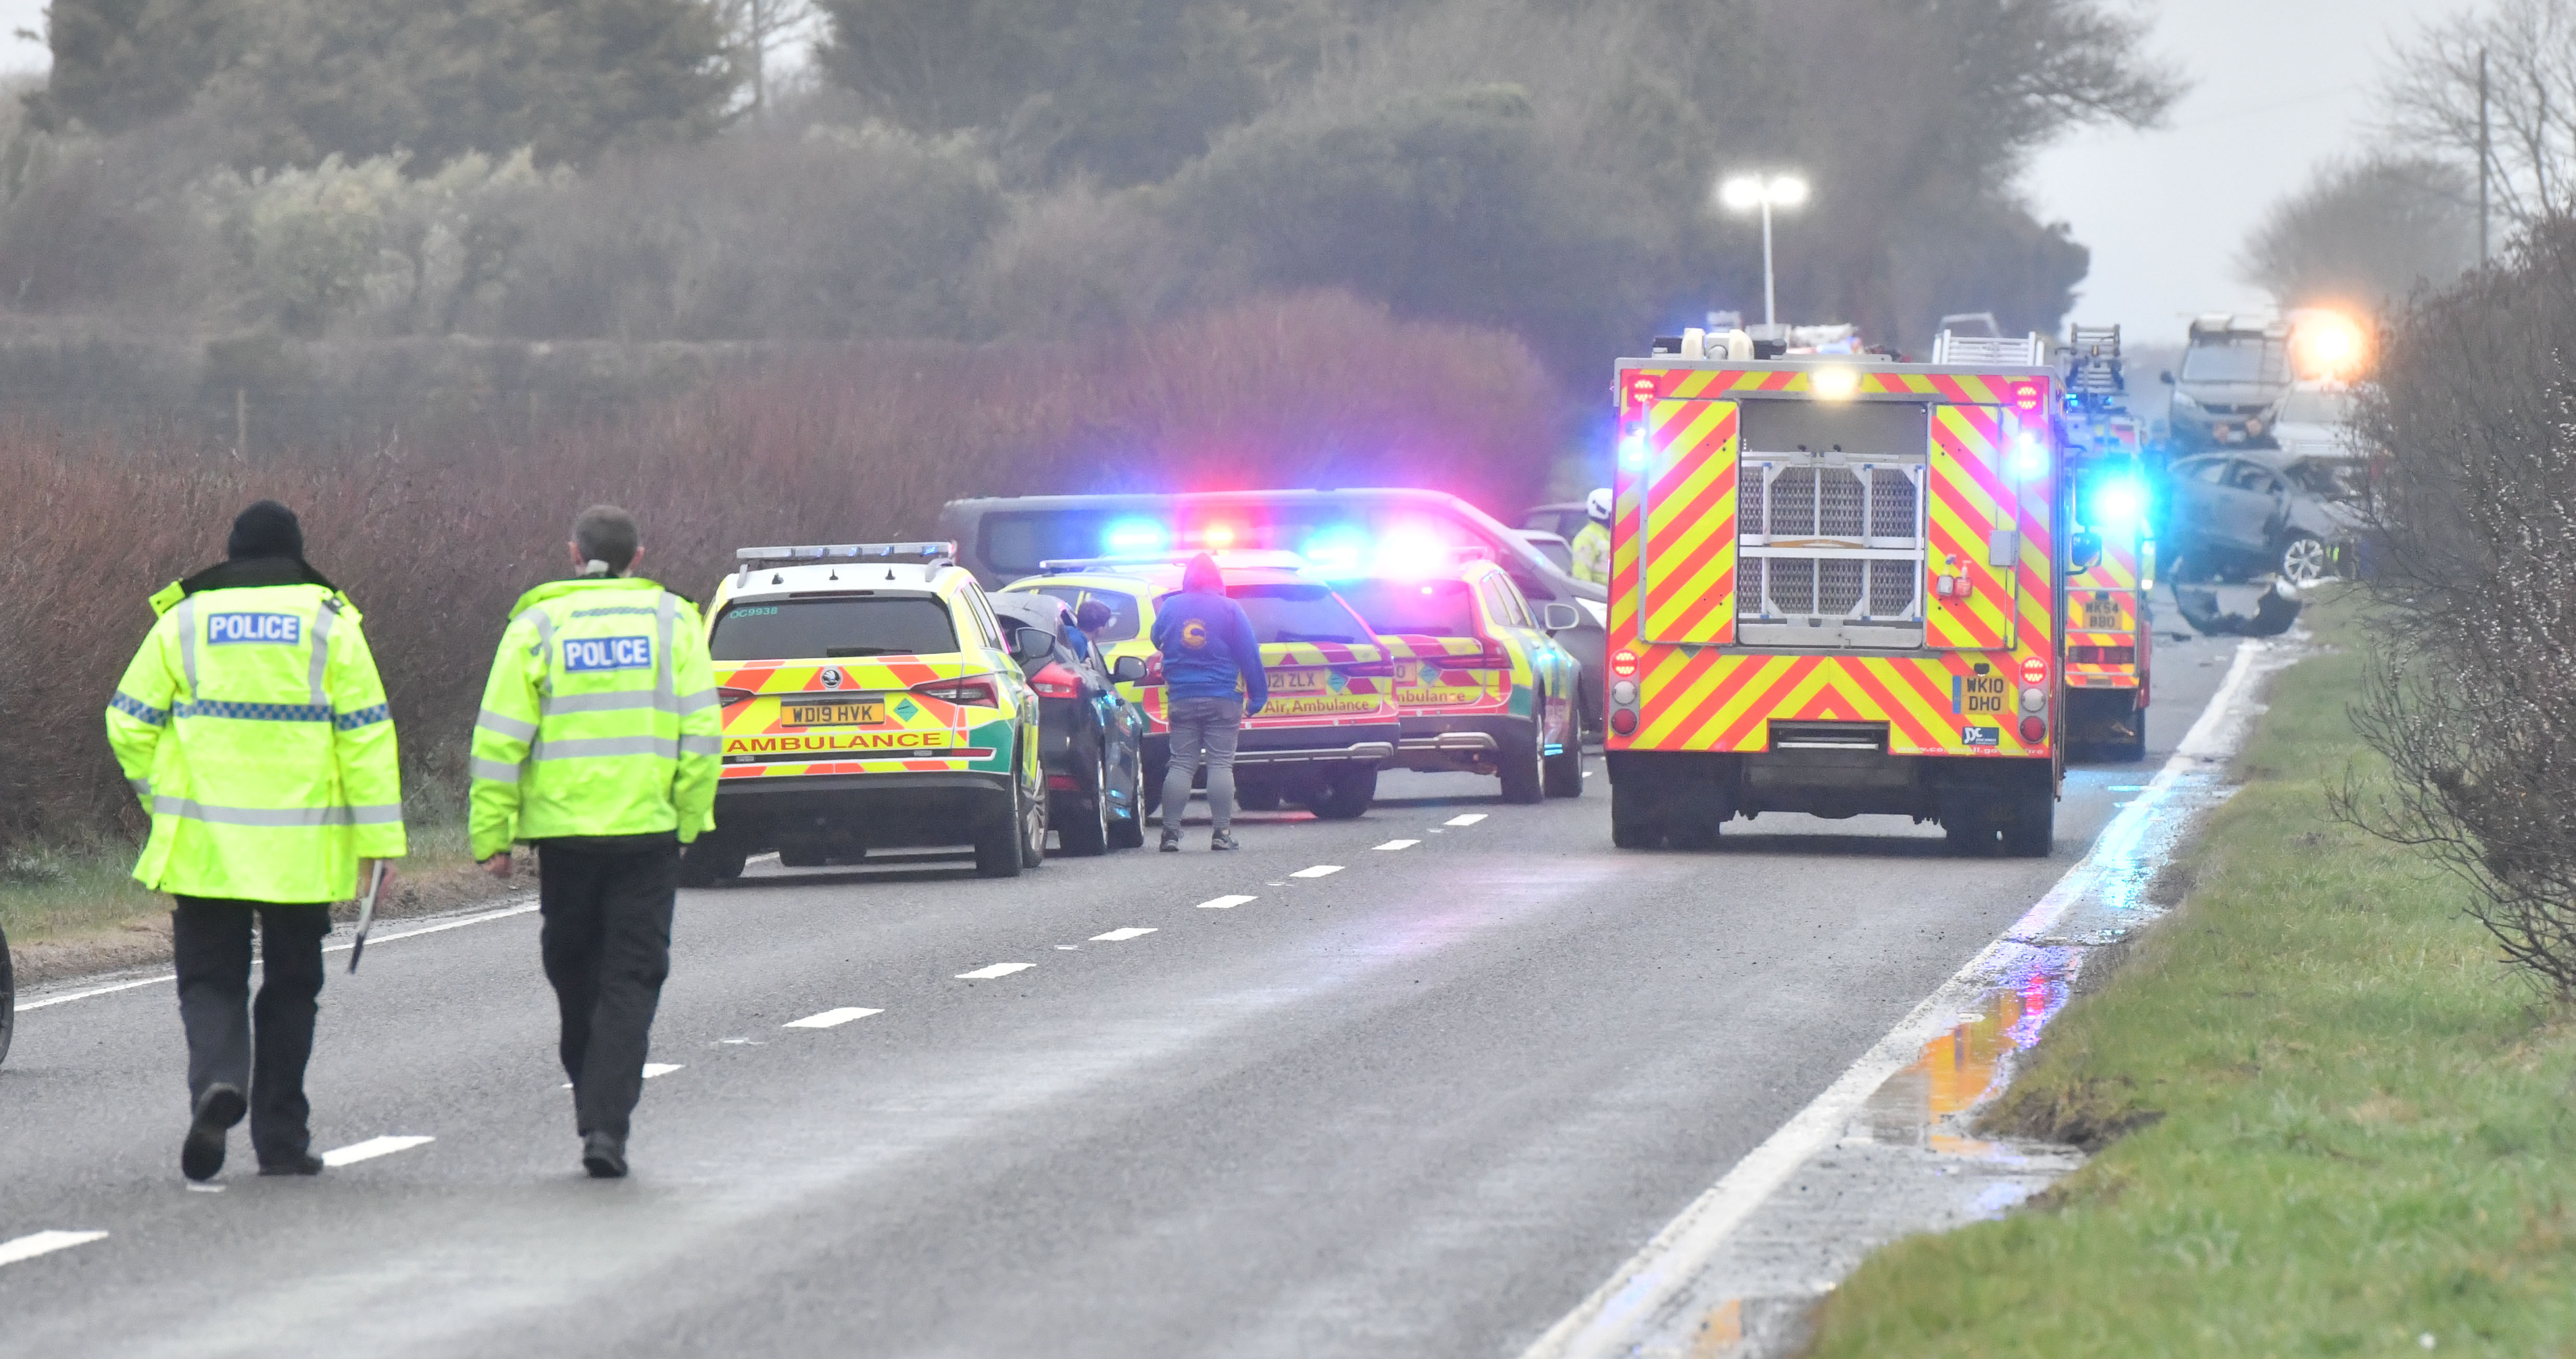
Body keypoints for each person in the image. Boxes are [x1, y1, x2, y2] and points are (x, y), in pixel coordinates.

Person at [105, 500, 405, 1182]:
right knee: (292, 990)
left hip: (205, 847)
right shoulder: (332, 625)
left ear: (234, 555)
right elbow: (367, 740)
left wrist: (164, 801)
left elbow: (126, 721)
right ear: (296, 556)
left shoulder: (183, 621)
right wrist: (378, 847)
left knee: (211, 981)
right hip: (300, 854)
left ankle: (219, 1081)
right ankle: (281, 1139)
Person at [468, 505, 720, 1179]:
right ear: (640, 556)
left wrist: (492, 834)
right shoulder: (675, 622)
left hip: (565, 838)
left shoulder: (537, 625)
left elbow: (499, 739)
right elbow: (702, 733)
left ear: (573, 552)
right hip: (647, 832)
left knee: (573, 971)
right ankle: (607, 1119)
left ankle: (598, 1110)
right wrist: (690, 819)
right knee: (633, 977)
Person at [1149, 553, 1266, 852]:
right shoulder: (1230, 609)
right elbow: (1249, 654)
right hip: (1223, 696)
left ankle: (1170, 834)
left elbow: (1155, 637)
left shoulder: (1172, 606)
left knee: (1181, 763)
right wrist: (1258, 695)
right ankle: (1221, 833)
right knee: (1220, 763)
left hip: (1182, 696)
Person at [1570, 487, 1613, 586]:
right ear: (1601, 511)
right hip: (1599, 597)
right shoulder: (1585, 538)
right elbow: (1581, 575)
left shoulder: (1616, 535)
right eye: (1613, 514)